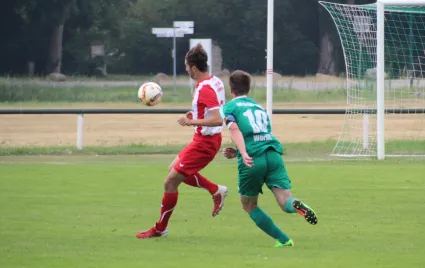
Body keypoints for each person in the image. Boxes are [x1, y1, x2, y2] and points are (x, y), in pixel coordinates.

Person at [136, 44, 228, 239]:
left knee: (170, 182)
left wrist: (192, 120)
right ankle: (215, 190)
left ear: (194, 67)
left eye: (187, 66)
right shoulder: (215, 81)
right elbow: (213, 110)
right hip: (203, 138)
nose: (186, 70)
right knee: (174, 170)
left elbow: (218, 118)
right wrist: (195, 114)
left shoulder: (205, 89)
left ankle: (160, 229)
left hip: (205, 143)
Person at [221, 70, 317, 247]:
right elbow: (260, 134)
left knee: (249, 205)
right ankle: (294, 204)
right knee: (284, 200)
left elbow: (234, 129)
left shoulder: (229, 107)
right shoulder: (259, 107)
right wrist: (238, 151)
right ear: (248, 88)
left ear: (230, 89)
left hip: (253, 159)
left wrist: (242, 153)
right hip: (273, 154)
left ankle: (284, 240)